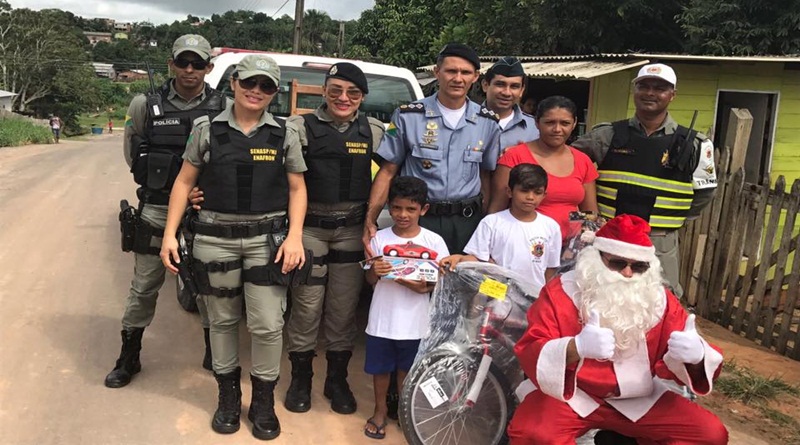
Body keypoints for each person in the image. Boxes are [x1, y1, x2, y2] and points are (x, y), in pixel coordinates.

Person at [160, 54, 307, 440]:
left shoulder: (284, 133)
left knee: (268, 324)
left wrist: (294, 237)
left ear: (274, 92)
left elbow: (297, 188)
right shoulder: (206, 129)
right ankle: (227, 399)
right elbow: (182, 182)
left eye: (266, 86)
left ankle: (262, 403)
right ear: (235, 84)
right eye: (250, 83)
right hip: (214, 239)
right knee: (221, 322)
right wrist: (169, 235)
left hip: (266, 241)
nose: (256, 91)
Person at [507, 214, 727, 444]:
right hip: (572, 395)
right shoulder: (561, 293)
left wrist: (696, 356)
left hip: (637, 398)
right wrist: (576, 347)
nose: (628, 274)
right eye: (618, 263)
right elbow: (532, 347)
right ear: (596, 258)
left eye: (639, 267)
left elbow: (685, 355)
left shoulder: (659, 300)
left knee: (709, 435)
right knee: (534, 433)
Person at [105, 34, 225, 389]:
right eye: (183, 62)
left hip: (205, 214)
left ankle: (213, 352)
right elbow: (133, 154)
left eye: (198, 63)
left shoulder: (224, 106)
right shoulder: (145, 104)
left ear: (209, 67)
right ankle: (129, 356)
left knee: (208, 286)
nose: (190, 70)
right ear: (171, 64)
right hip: (156, 209)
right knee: (144, 286)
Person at [282, 62, 385, 416]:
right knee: (307, 307)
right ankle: (300, 379)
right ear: (324, 90)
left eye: (353, 93)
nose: (344, 98)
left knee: (342, 311)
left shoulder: (373, 130)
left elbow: (391, 172)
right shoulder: (299, 127)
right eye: (336, 90)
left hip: (351, 232)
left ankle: (336, 380)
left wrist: (376, 221)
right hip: (310, 229)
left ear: (362, 97)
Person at [572, 64, 717, 297]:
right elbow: (570, 165)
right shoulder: (607, 134)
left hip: (659, 240)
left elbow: (705, 193)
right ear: (634, 91)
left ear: (672, 95)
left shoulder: (696, 144)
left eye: (660, 88)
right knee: (597, 292)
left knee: (661, 297)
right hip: (610, 235)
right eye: (644, 86)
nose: (650, 93)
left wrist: (671, 221)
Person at [363, 42, 502, 256]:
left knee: (461, 284)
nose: (458, 78)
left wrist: (486, 221)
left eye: (465, 72)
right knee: (415, 283)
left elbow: (486, 175)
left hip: (466, 222)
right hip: (418, 220)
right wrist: (370, 220)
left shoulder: (488, 122)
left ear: (475, 76)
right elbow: (388, 171)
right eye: (451, 71)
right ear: (437, 72)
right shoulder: (407, 116)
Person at [363, 176, 450, 440]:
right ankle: (379, 411)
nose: (403, 214)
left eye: (411, 209)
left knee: (407, 371)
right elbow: (369, 279)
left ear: (424, 209)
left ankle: (404, 410)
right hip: (382, 318)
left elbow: (440, 282)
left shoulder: (434, 241)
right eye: (397, 208)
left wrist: (424, 286)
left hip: (416, 321)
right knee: (380, 370)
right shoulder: (378, 239)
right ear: (389, 206)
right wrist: (374, 271)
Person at [488, 96, 599, 241]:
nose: (557, 129)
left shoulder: (582, 161)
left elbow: (589, 213)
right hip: (522, 243)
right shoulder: (515, 156)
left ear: (574, 124)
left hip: (569, 249)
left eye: (565, 123)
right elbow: (497, 209)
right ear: (537, 122)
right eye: (550, 122)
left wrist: (576, 242)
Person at [441, 163, 561, 296]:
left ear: (544, 195)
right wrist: (459, 259)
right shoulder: (492, 222)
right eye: (524, 191)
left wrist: (543, 295)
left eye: (537, 192)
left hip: (535, 296)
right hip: (496, 294)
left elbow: (551, 268)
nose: (530, 197)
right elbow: (477, 262)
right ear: (509, 192)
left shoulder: (551, 227)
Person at [480, 57, 539, 153]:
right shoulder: (467, 122)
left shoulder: (535, 129)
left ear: (521, 90)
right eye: (500, 84)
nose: (507, 93)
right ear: (485, 85)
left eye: (514, 86)